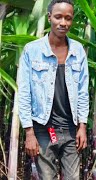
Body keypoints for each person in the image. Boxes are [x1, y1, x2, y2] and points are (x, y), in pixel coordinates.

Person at [17, 0, 89, 179]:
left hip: (71, 129)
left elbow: (82, 91)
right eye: (58, 17)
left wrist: (82, 126)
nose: (63, 23)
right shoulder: (32, 50)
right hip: (43, 129)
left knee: (73, 177)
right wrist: (29, 132)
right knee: (46, 177)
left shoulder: (78, 51)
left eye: (68, 18)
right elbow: (24, 93)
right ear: (49, 17)